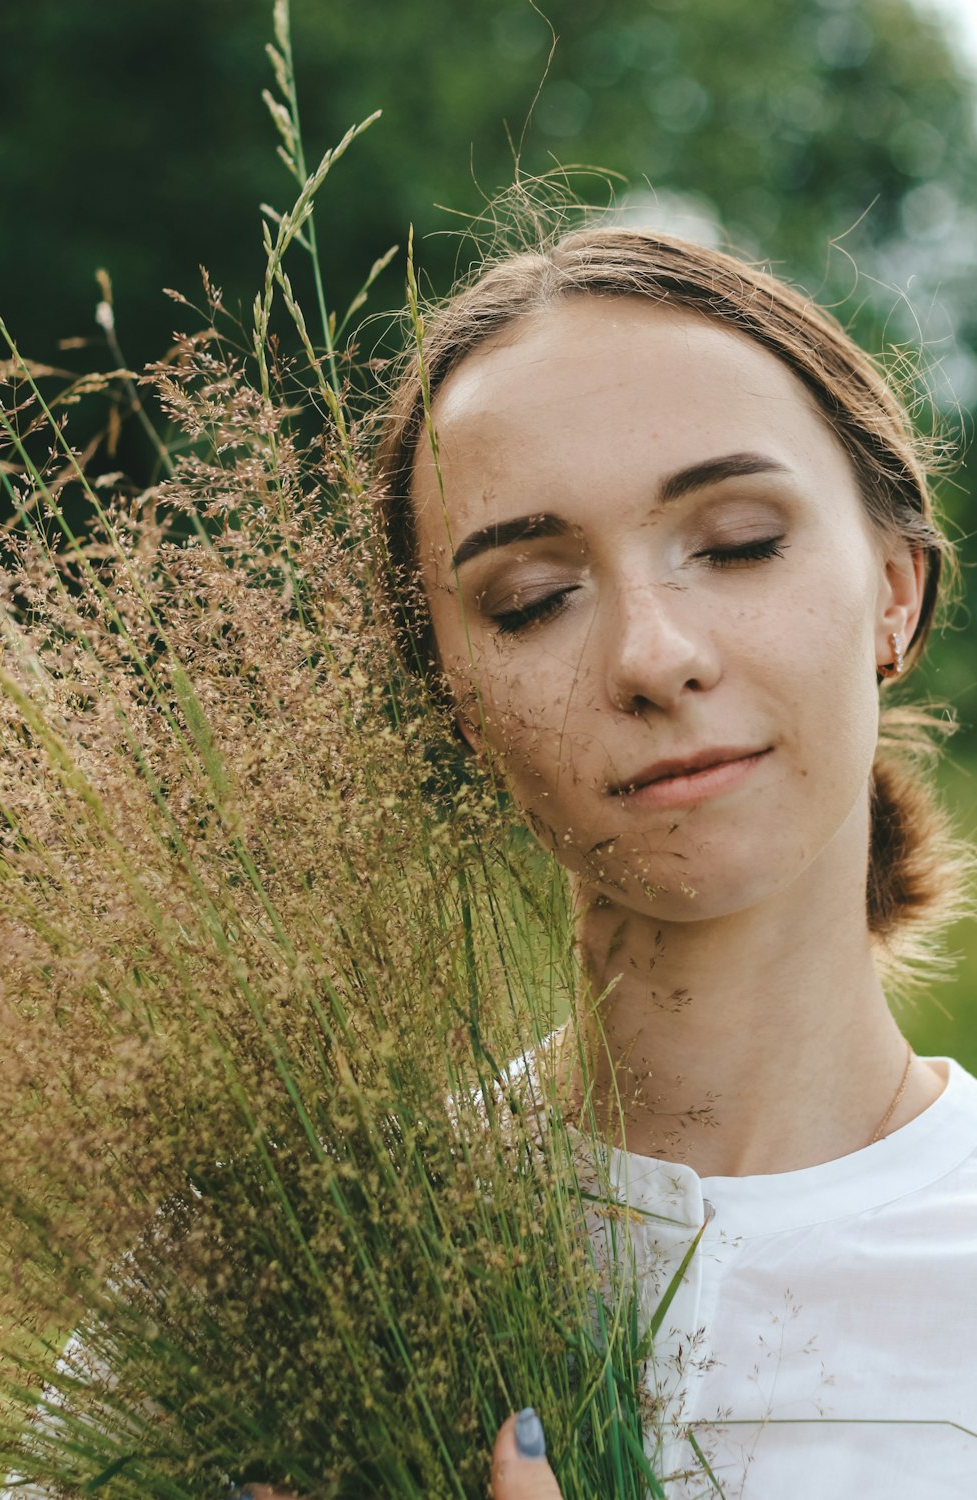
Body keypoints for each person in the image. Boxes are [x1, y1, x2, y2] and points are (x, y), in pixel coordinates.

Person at [369, 227, 977, 1497]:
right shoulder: (323, 1253)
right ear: (450, 706)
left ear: (895, 589)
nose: (652, 656)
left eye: (741, 541)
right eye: (530, 596)